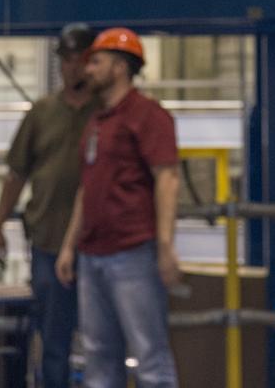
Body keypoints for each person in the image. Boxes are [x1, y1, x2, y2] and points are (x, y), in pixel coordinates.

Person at [56, 28, 181, 388]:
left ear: (120, 67)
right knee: (98, 358)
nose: (88, 70)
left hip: (133, 253)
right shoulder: (98, 121)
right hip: (92, 255)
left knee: (150, 359)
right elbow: (87, 187)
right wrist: (69, 246)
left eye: (96, 62)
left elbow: (168, 178)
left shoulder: (147, 115)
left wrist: (164, 246)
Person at [0, 22, 97, 388]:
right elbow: (16, 173)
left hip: (99, 245)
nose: (73, 68)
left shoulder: (106, 113)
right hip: (48, 242)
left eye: (80, 60)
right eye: (67, 60)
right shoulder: (42, 112)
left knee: (101, 338)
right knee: (53, 338)